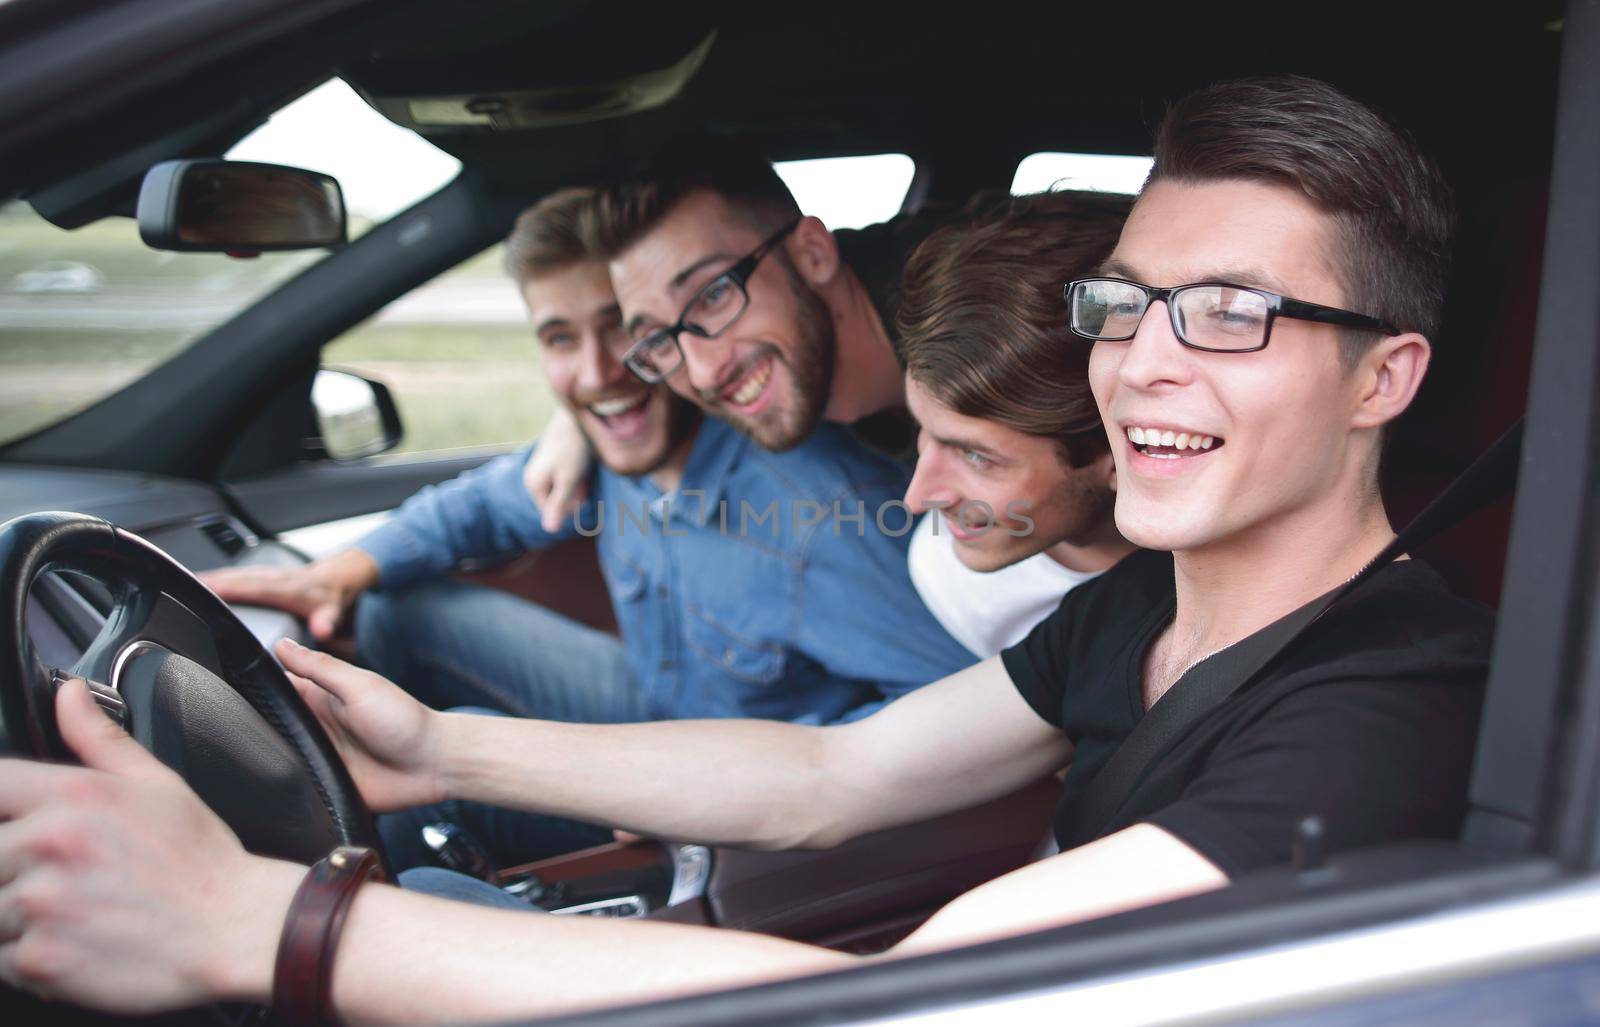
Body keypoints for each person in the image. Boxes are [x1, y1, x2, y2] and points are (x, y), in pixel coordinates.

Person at [1, 76, 1493, 1024]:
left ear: (1384, 377)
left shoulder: (1387, 700)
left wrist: (273, 921)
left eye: (1231, 313)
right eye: (1129, 303)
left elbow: (920, 997)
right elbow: (832, 776)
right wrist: (444, 745)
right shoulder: (1154, 607)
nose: (1145, 364)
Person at [202, 187, 975, 866]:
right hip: (649, 703)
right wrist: (338, 570)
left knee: (433, 783)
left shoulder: (819, 520)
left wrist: (707, 786)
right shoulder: (610, 449)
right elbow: (480, 505)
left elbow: (958, 727)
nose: (602, 373)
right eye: (561, 339)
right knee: (395, 604)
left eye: (618, 333)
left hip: (729, 789)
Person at [522, 137, 962, 529]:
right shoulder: (788, 357)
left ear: (813, 253)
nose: (703, 373)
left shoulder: (985, 321)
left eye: (713, 295)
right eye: (657, 336)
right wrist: (575, 421)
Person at [897, 190, 1137, 657]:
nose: (917, 498)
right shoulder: (951, 577)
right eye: (923, 433)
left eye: (975, 456)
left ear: (1117, 450)